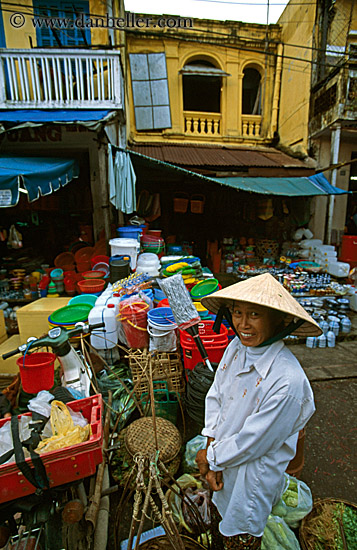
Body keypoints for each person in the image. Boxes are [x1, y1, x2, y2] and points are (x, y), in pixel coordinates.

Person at [195, 272, 322, 549]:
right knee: (219, 522)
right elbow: (216, 397)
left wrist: (212, 457)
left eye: (254, 314)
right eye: (238, 312)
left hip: (251, 479)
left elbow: (253, 441)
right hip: (223, 461)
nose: (243, 324)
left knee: (241, 533)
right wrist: (211, 447)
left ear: (278, 320)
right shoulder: (235, 348)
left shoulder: (287, 382)